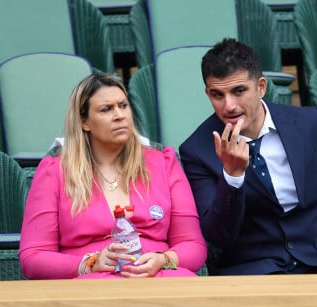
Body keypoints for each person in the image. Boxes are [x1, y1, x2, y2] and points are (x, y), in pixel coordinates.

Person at [179, 38, 317, 275]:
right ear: (207, 93)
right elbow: (218, 237)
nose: (229, 106)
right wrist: (232, 177)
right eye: (217, 95)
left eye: (239, 91)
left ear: (261, 86)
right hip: (252, 275)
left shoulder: (309, 123)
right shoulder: (197, 150)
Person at [19, 73, 207, 279]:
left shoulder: (163, 163)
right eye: (106, 109)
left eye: (123, 106)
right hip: (93, 286)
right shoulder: (55, 172)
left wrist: (164, 259)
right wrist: (90, 264)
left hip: (158, 278)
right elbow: (33, 258)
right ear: (84, 122)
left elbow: (193, 246)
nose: (119, 115)